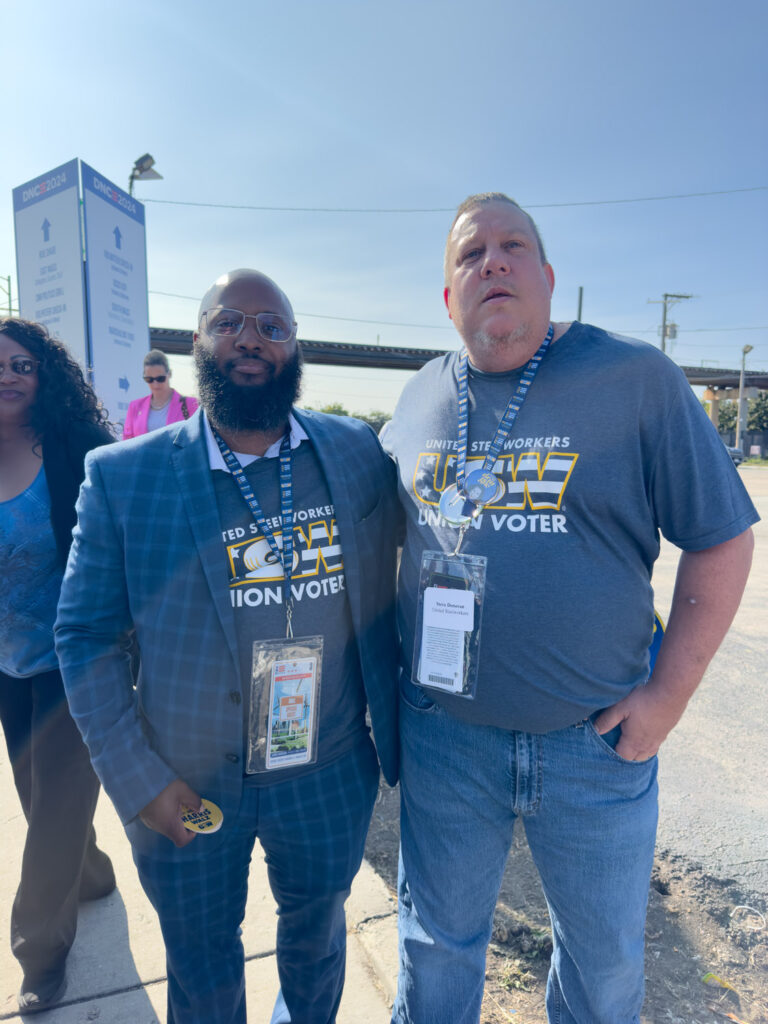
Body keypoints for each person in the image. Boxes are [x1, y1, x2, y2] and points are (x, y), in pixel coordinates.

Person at [382, 192, 758, 1024]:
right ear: (449, 299)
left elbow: (725, 538)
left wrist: (667, 698)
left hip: (594, 748)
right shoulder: (416, 400)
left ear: (549, 280)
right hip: (446, 741)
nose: (493, 263)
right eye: (470, 255)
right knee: (435, 947)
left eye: (513, 246)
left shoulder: (636, 380)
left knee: (602, 965)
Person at [55, 269, 399, 1024]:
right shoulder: (125, 477)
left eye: (273, 326)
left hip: (327, 769)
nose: (251, 338)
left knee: (317, 939)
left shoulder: (353, 451)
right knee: (202, 958)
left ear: (294, 348)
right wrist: (136, 780)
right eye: (230, 322)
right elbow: (83, 637)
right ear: (197, 342)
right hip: (184, 781)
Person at [0, 317, 116, 1013]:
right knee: (37, 797)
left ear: (44, 376)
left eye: (21, 364)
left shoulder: (76, 450)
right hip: (8, 664)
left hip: (75, 661)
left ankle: (39, 960)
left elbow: (125, 529)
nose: (8, 375)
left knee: (55, 808)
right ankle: (94, 873)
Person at [122, 348, 199, 438]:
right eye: (149, 379)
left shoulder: (191, 404)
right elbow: (127, 443)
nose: (155, 384)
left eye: (160, 379)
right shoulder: (134, 407)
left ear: (169, 374)